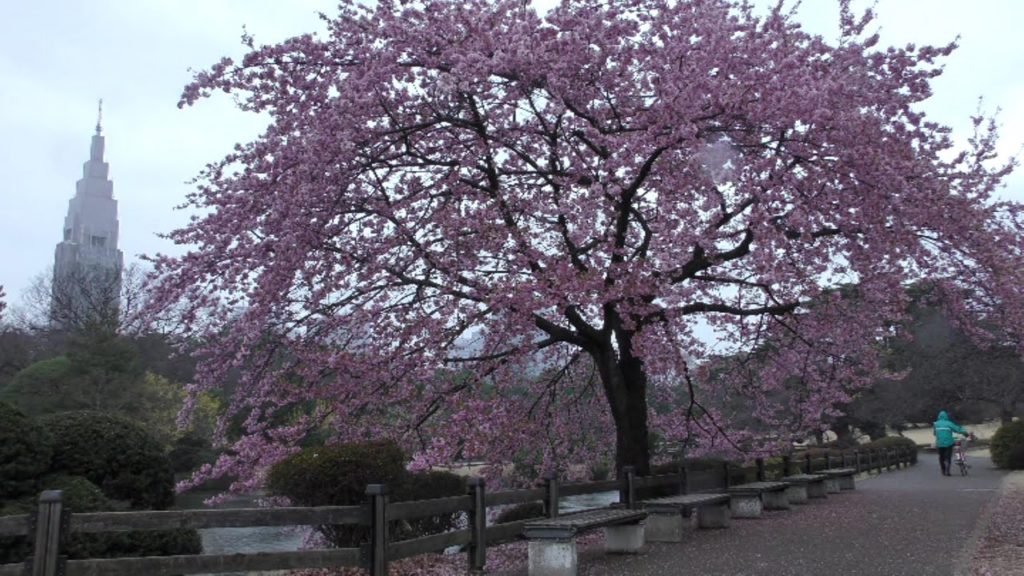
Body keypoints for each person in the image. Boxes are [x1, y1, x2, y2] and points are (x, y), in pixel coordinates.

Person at [933, 410, 969, 476]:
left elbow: (935, 433)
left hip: (940, 443)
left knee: (941, 457)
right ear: (946, 416)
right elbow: (957, 429)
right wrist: (965, 432)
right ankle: (947, 471)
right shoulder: (949, 423)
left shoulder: (935, 424)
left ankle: (943, 470)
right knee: (948, 457)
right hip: (948, 442)